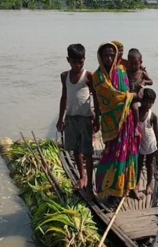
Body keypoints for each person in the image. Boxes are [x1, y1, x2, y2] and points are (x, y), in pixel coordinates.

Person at [92, 42, 143, 206]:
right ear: (100, 56)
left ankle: (123, 189)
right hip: (109, 122)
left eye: (111, 55)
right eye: (105, 55)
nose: (109, 58)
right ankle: (107, 188)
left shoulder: (121, 71)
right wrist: (132, 96)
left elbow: (124, 94)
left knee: (127, 154)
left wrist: (133, 94)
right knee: (111, 155)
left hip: (126, 120)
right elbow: (109, 99)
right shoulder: (97, 77)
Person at [56, 43, 100, 200]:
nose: (77, 65)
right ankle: (82, 177)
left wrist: (97, 117)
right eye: (74, 62)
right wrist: (61, 119)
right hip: (71, 118)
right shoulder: (64, 76)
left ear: (84, 60)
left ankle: (89, 186)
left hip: (86, 118)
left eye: (80, 62)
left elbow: (96, 96)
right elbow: (64, 97)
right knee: (76, 149)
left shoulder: (88, 76)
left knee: (88, 152)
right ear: (68, 60)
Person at [136, 88, 158, 196]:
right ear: (141, 100)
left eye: (151, 102)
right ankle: (136, 183)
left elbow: (156, 132)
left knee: (149, 164)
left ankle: (149, 184)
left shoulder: (152, 116)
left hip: (150, 142)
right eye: (146, 101)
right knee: (139, 163)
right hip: (139, 143)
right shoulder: (135, 111)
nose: (148, 104)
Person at [127, 48, 153, 136]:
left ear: (141, 62)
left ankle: (136, 128)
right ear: (128, 63)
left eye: (136, 64)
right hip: (128, 96)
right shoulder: (126, 72)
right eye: (131, 64)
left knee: (135, 108)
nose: (133, 66)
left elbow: (151, 81)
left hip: (136, 98)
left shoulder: (142, 73)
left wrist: (144, 82)